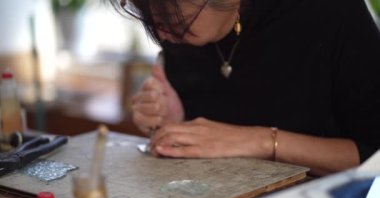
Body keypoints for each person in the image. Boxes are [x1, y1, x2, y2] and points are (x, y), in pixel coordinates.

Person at [109, 0, 380, 176]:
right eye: (145, 10)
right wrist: (176, 122)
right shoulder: (176, 25)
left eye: (175, 20)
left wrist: (263, 141)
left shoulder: (331, 13)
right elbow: (212, 138)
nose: (162, 31)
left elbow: (374, 156)